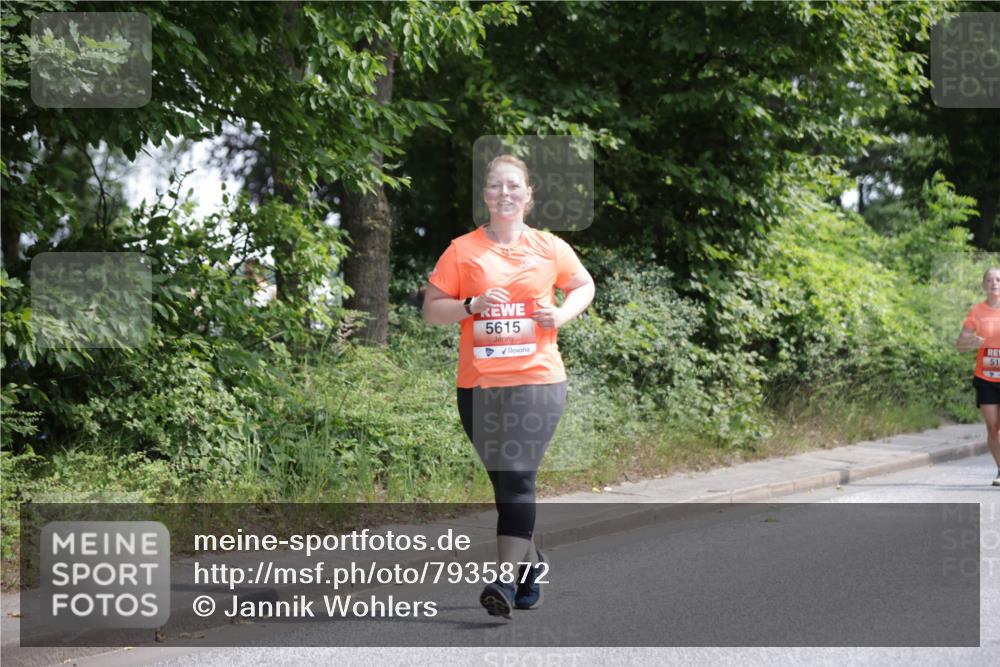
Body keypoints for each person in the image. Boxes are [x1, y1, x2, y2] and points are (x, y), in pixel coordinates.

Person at [423, 154, 596, 618]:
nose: (505, 193)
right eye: (496, 186)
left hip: (537, 379)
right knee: (504, 483)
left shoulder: (549, 247)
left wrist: (560, 313)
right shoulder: (462, 250)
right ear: (485, 195)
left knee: (517, 475)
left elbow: (583, 285)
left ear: (528, 195)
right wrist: (471, 305)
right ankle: (530, 565)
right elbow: (432, 309)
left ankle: (501, 579)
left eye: (514, 186)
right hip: (478, 386)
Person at [956, 267, 1000, 487]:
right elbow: (960, 346)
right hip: (986, 378)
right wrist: (971, 343)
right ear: (984, 285)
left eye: (998, 279)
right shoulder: (977, 312)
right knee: (993, 427)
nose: (994, 283)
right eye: (989, 280)